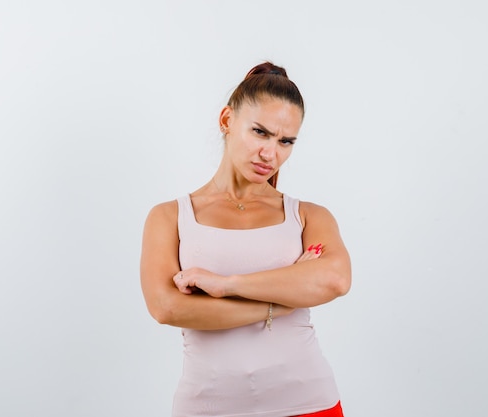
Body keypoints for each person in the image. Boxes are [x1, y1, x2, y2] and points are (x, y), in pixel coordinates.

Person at [140, 62, 351, 417]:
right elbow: (167, 307)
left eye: (286, 141)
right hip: (207, 407)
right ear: (226, 120)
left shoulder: (308, 216)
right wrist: (279, 304)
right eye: (260, 133)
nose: (271, 154)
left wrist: (226, 285)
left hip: (308, 402)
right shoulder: (169, 217)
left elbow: (334, 279)